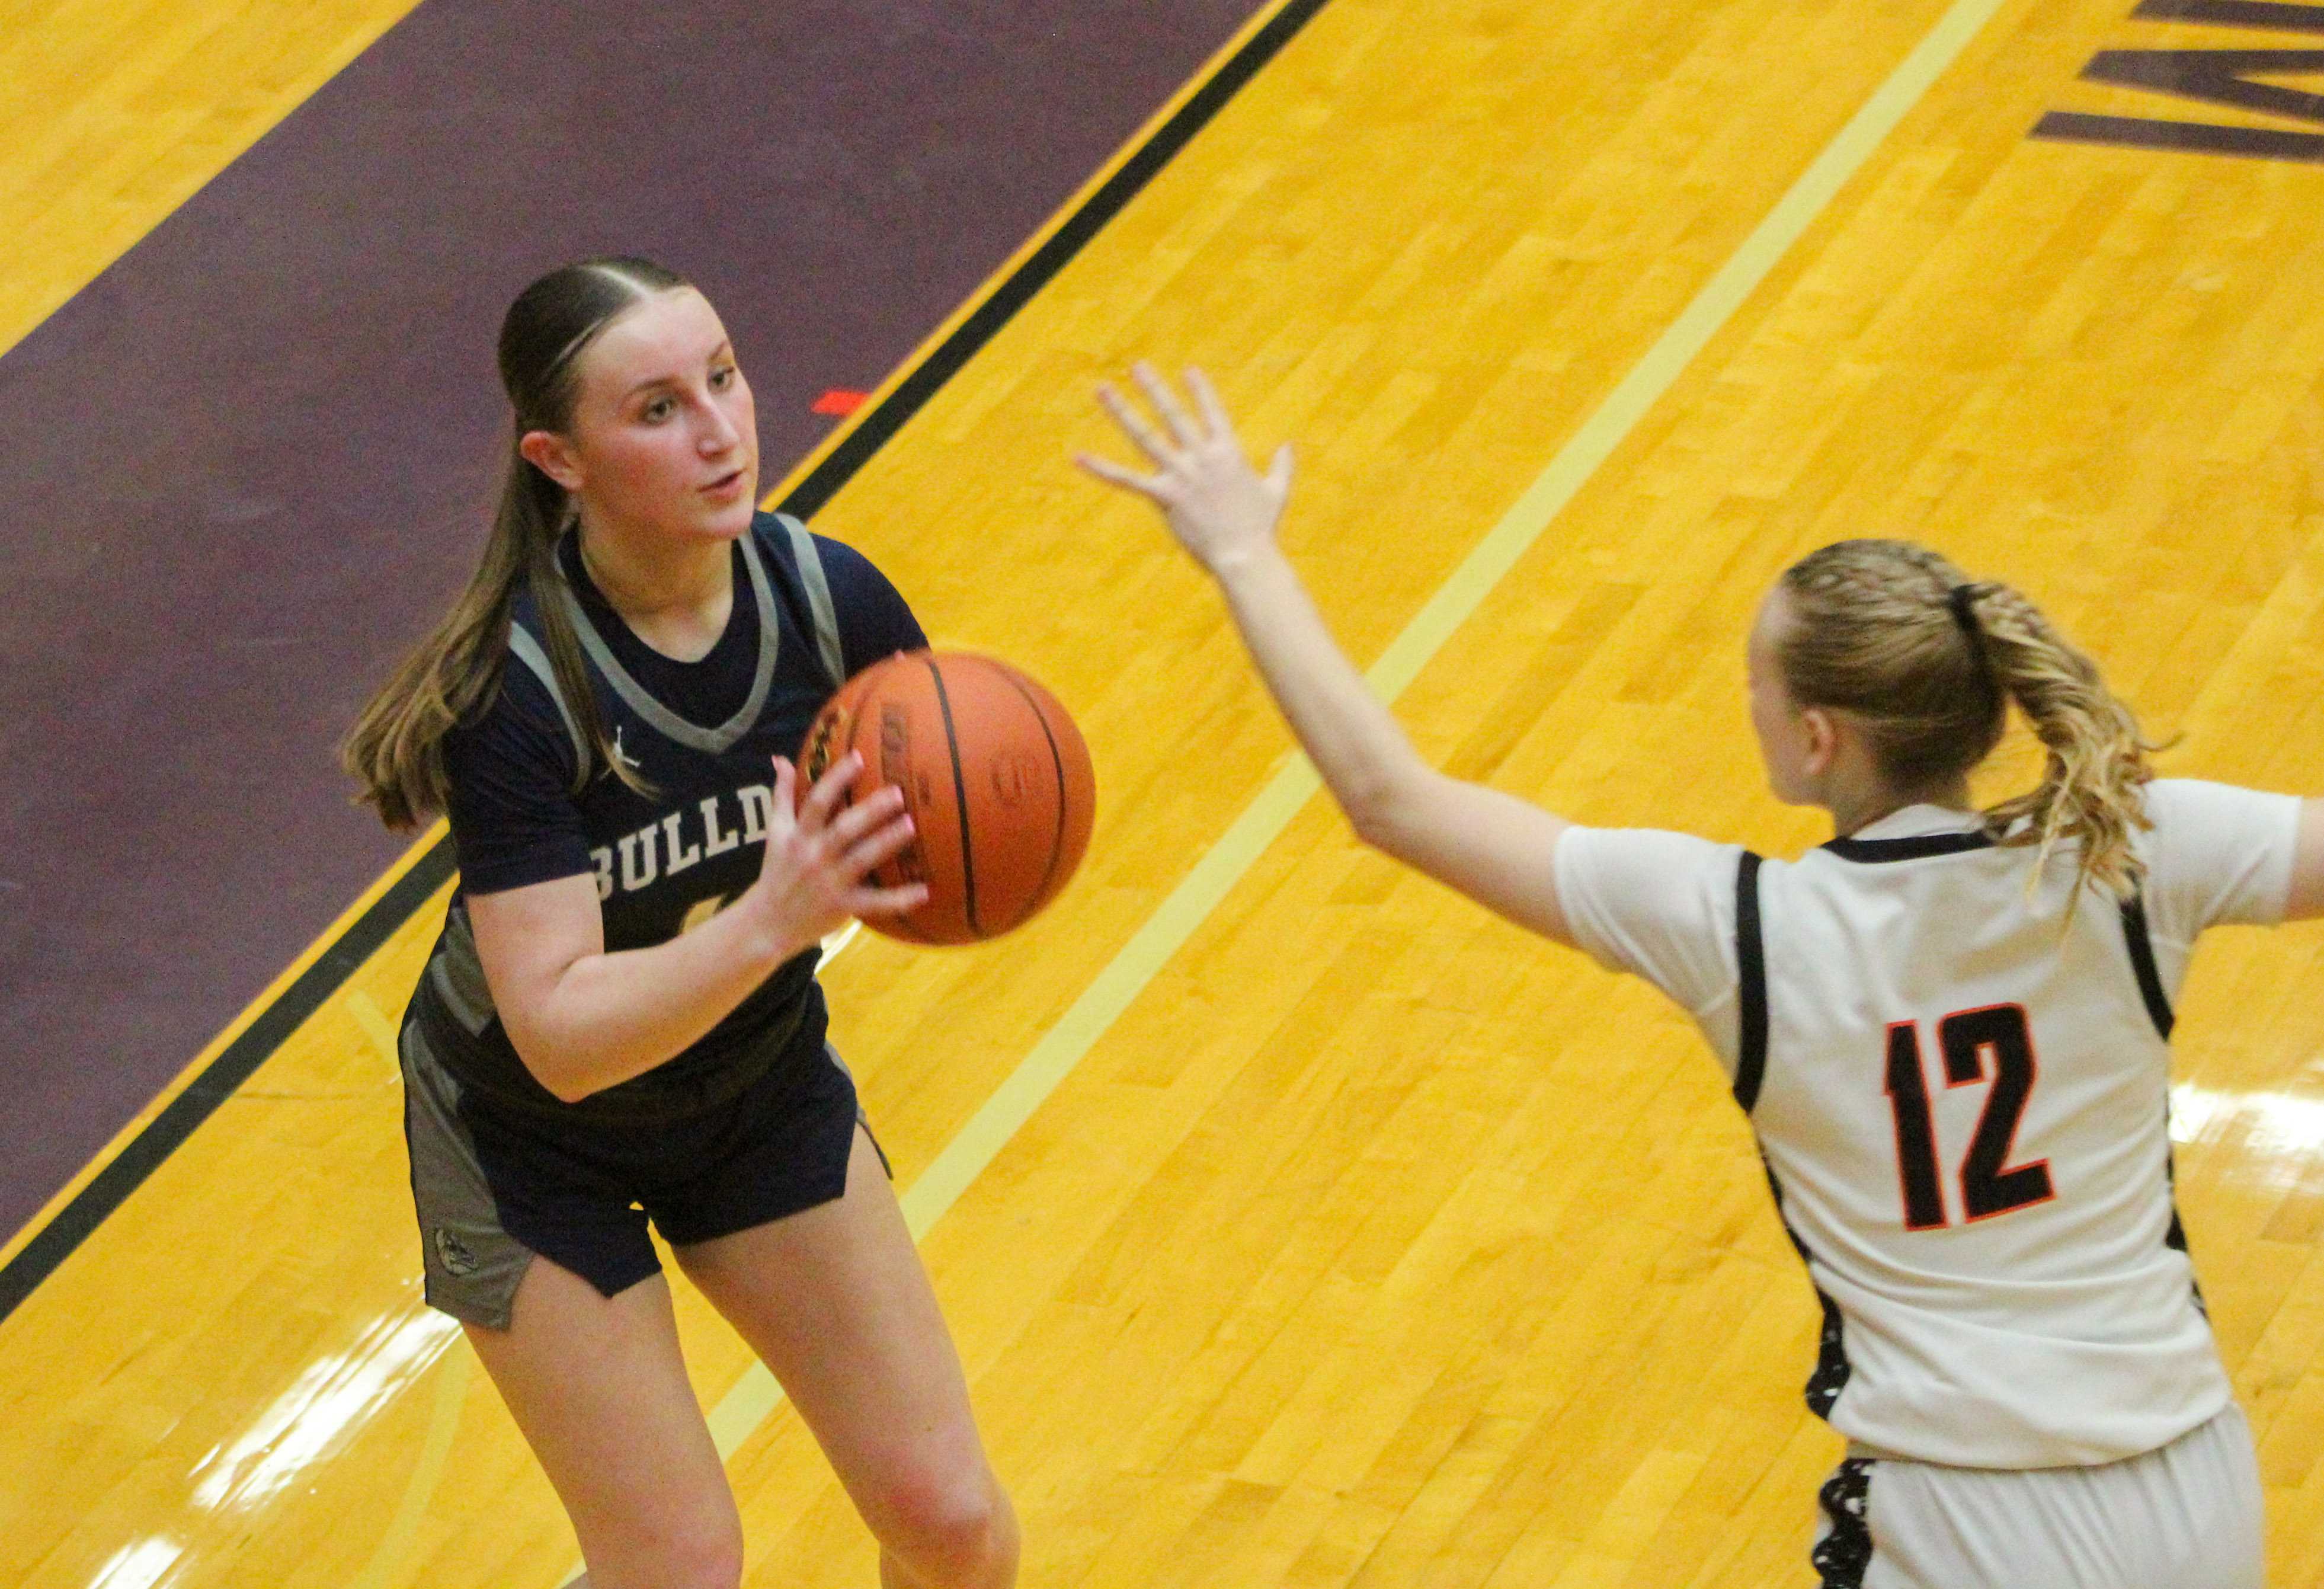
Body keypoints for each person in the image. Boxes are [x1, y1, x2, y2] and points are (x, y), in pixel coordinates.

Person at [1079, 363, 2324, 1589]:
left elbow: (1389, 800)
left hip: (1968, 1516)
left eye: (1753, 680)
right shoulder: (2131, 852)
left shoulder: (1745, 931)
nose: (1746, 697)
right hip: (2190, 1487)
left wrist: (1242, 550)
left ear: (1815, 737)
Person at [343, 257, 1017, 1589]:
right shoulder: (515, 694)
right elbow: (560, 1039)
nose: (719, 430)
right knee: (678, 1565)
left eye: (722, 378)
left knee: (949, 1518)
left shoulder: (831, 601)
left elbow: (940, 811)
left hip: (752, 1088)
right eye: (656, 409)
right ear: (560, 460)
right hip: (532, 1142)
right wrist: (772, 919)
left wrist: (976, 843)